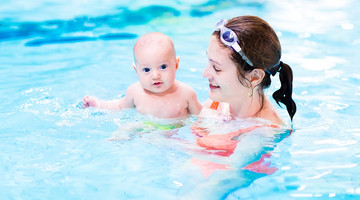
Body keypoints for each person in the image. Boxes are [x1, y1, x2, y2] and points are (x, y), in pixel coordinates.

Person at [188, 15, 297, 180]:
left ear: (254, 77)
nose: (205, 73)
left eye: (216, 68)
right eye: (208, 62)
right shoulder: (218, 103)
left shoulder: (262, 133)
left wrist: (164, 142)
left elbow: (220, 181)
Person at [82, 32, 203, 120]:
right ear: (136, 70)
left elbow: (201, 115)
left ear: (176, 64)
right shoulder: (135, 92)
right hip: (144, 129)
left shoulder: (186, 93)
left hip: (176, 131)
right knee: (123, 133)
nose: (156, 76)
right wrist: (98, 105)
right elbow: (119, 106)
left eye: (163, 67)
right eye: (146, 69)